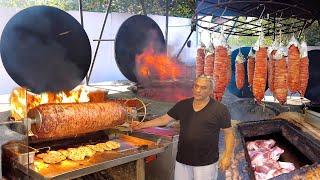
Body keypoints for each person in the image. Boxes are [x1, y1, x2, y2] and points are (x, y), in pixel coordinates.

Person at [131, 75, 235, 180]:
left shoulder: (220, 109)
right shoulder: (183, 105)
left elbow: (229, 134)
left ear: (211, 91)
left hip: (206, 163)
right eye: (196, 86)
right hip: (183, 161)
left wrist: (227, 156)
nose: (198, 90)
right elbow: (164, 119)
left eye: (203, 88)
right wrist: (142, 125)